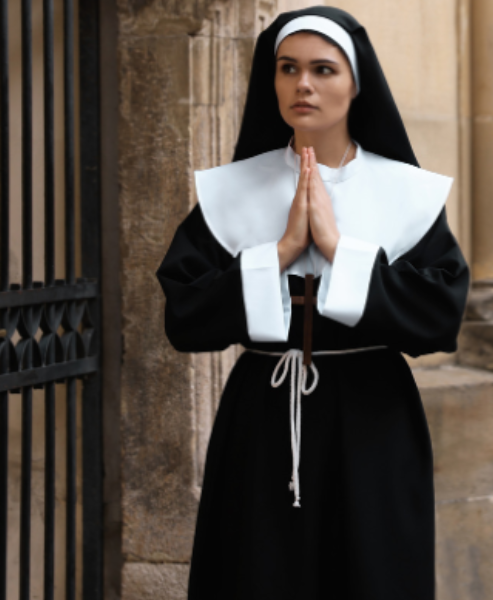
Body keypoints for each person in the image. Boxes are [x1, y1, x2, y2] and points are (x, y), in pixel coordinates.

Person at [154, 6, 470, 599]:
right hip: (262, 417)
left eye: (324, 70)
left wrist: (337, 247)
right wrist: (277, 253)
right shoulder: (232, 191)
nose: (303, 84)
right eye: (288, 68)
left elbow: (438, 316)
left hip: (375, 421)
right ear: (270, 80)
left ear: (356, 84)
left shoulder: (405, 194)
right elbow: (184, 316)